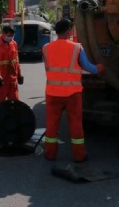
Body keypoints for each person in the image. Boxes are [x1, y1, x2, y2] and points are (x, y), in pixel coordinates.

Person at [42, 19, 104, 163]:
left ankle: (50, 154)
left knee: (52, 124)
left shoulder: (46, 48)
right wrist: (99, 68)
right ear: (69, 31)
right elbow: (88, 67)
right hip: (72, 93)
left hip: (52, 92)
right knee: (75, 124)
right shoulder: (77, 48)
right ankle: (79, 155)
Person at [0, 24, 23, 104]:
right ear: (3, 33)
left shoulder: (13, 44)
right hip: (1, 81)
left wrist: (19, 75)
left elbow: (16, 61)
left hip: (12, 80)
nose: (11, 38)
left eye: (12, 36)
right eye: (9, 35)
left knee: (15, 103)